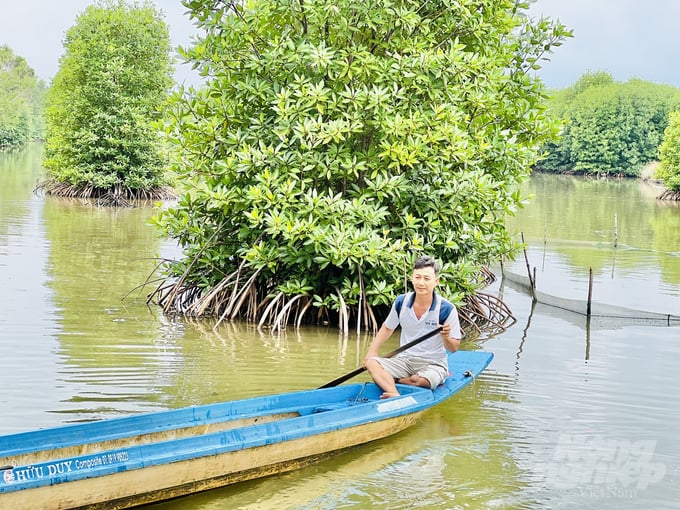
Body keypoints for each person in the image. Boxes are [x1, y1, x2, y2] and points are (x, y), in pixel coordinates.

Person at [363, 255, 461, 399]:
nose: (421, 283)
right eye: (418, 277)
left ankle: (394, 381)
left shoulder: (446, 309)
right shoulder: (401, 302)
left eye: (427, 279)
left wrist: (445, 337)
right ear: (412, 278)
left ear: (436, 281)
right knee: (371, 363)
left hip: (433, 363)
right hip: (405, 360)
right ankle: (394, 393)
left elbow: (453, 348)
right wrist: (372, 352)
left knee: (419, 381)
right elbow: (387, 328)